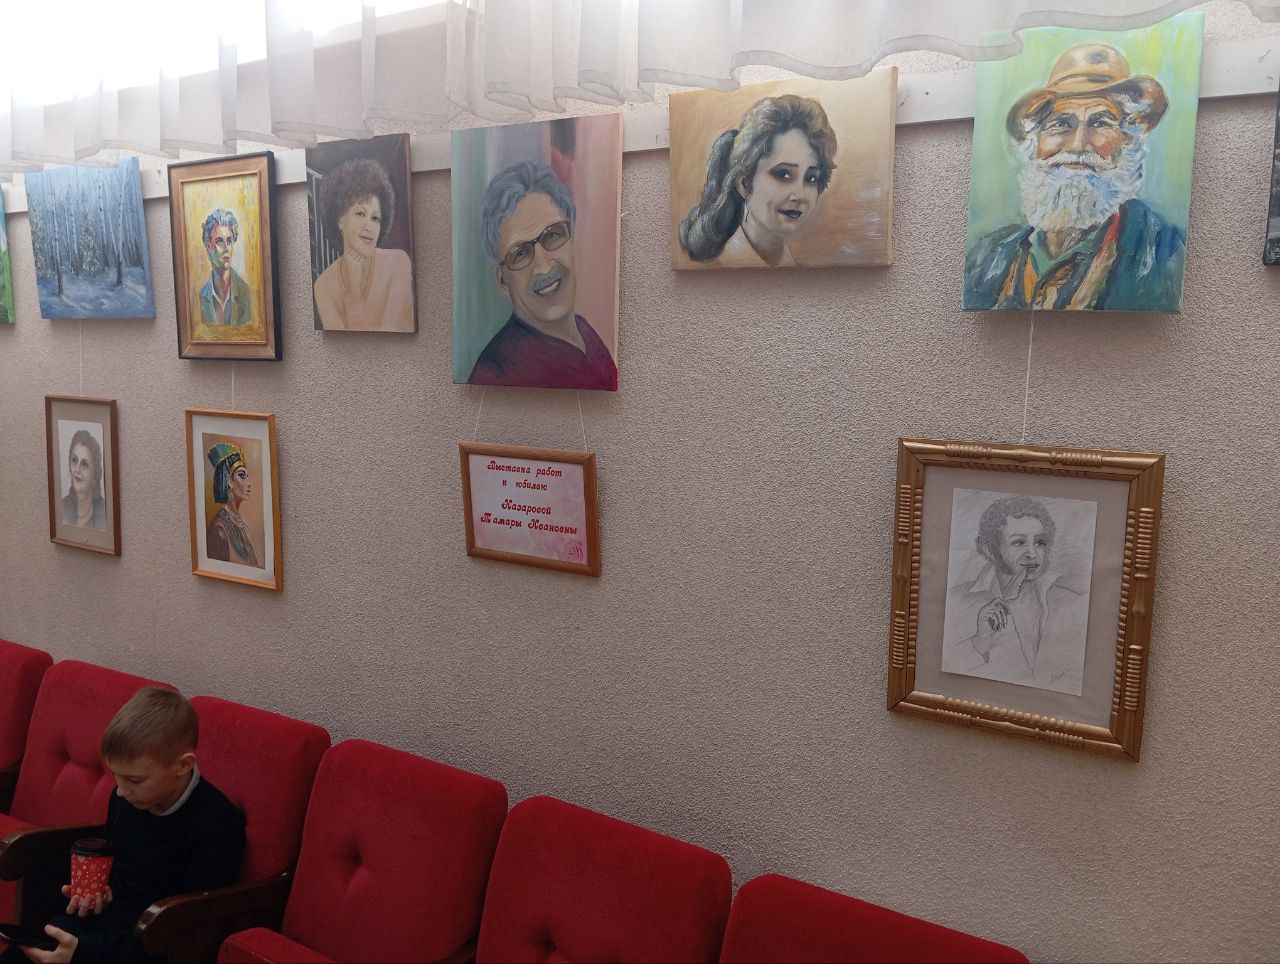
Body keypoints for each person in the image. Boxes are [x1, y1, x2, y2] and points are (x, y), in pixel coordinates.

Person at [16, 687, 245, 963]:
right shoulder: (126, 798)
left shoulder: (217, 823)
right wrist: (99, 894)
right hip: (109, 926)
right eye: (116, 775)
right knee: (25, 949)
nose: (122, 791)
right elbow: (122, 870)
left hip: (157, 943)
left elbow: (190, 925)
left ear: (183, 765)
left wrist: (85, 953)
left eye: (135, 780)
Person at [965, 43, 1186, 312]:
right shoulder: (987, 256)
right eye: (1060, 124)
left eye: (1100, 123)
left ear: (1127, 140)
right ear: (1035, 142)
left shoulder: (1166, 251)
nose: (1077, 145)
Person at [468, 161, 617, 390]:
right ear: (502, 280)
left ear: (571, 239)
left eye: (552, 235)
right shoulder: (494, 371)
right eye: (520, 253)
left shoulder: (586, 333)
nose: (544, 267)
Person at [941, 495, 1089, 695]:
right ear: (991, 551)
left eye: (1040, 542)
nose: (1032, 553)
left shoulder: (1074, 603)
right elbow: (945, 677)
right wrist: (980, 641)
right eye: (1019, 542)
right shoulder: (955, 601)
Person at [678, 94, 837, 268]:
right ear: (744, 184)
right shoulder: (722, 265)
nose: (800, 194)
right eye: (783, 174)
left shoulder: (787, 262)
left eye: (811, 178)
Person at [312, 158, 414, 332]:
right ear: (340, 220)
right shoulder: (323, 286)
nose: (369, 227)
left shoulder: (398, 263)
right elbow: (349, 343)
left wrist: (354, 295)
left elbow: (385, 337)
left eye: (375, 218)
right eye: (360, 213)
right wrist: (353, 291)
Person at [205, 443, 260, 568]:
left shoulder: (241, 525)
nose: (248, 483)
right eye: (242, 476)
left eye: (247, 476)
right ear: (229, 480)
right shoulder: (219, 533)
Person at [198, 210, 252, 326]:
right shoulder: (201, 296)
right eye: (219, 241)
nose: (226, 248)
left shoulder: (245, 292)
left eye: (229, 241)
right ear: (208, 247)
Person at [60, 430, 106, 531]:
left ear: (95, 475)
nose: (77, 469)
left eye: (84, 464)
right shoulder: (62, 507)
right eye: (74, 460)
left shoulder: (104, 513)